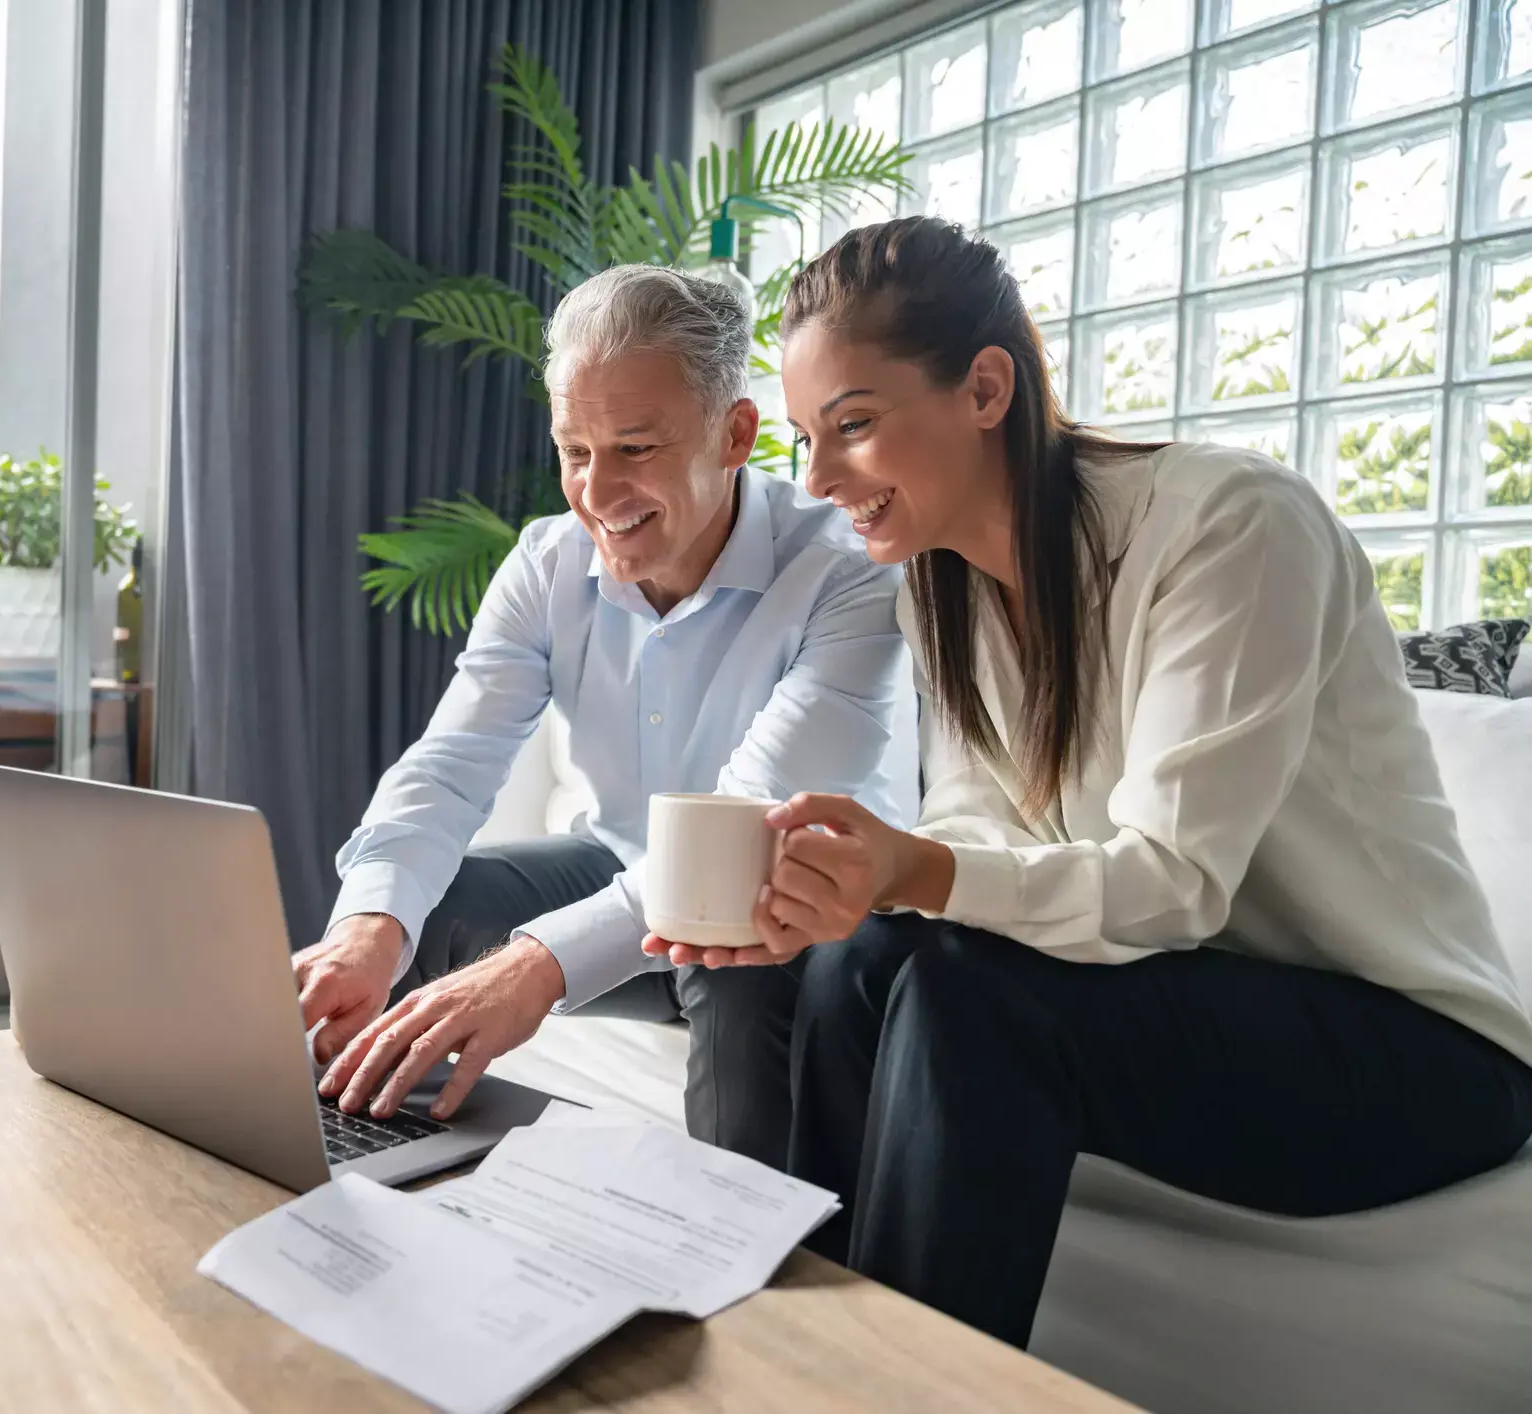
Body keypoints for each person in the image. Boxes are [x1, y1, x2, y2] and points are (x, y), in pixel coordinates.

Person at [645, 215, 1532, 1348]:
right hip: (1178, 997)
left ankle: (910, 1385)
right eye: (807, 441)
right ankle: (796, 1351)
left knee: (972, 1001)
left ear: (983, 388)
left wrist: (911, 866)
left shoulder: (1229, 525)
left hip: (1416, 1057)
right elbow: (978, 833)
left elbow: (1170, 885)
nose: (817, 479)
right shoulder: (939, 581)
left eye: (852, 427)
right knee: (851, 954)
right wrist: (849, 892)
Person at [297, 264, 906, 1164]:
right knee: (420, 908)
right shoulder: (545, 564)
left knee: (735, 957)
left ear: (735, 432)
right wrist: (367, 927)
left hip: (791, 912)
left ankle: (750, 1266)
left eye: (635, 448)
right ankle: (379, 1160)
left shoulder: (846, 570)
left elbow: (746, 828)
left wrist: (537, 967)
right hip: (616, 869)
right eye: (574, 451)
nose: (596, 491)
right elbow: (449, 764)